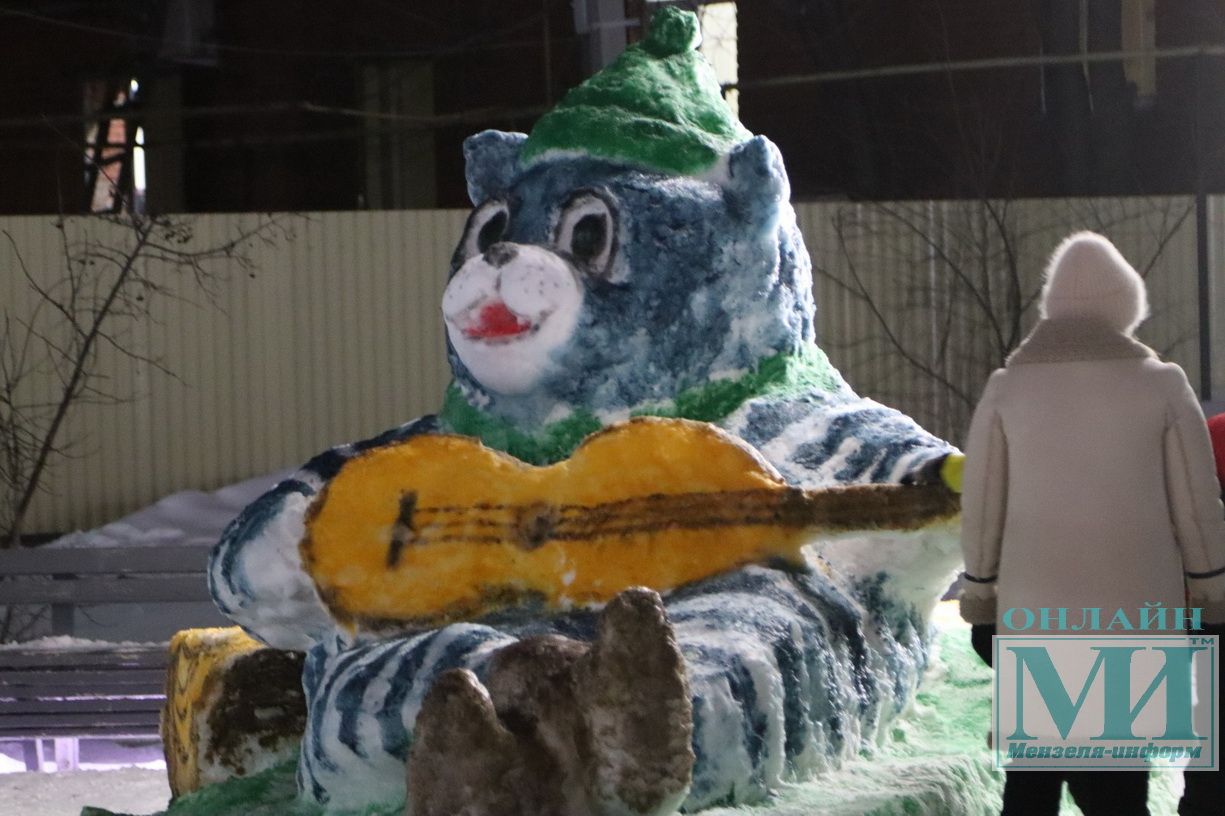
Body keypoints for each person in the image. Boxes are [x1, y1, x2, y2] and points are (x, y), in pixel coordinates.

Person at [957, 231, 1225, 816]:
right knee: (1119, 783)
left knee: (1033, 779)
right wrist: (1210, 589)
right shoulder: (1163, 386)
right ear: (1126, 305)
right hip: (1134, 615)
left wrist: (981, 593)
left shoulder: (1007, 390)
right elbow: (1198, 506)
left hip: (1037, 613)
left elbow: (981, 507)